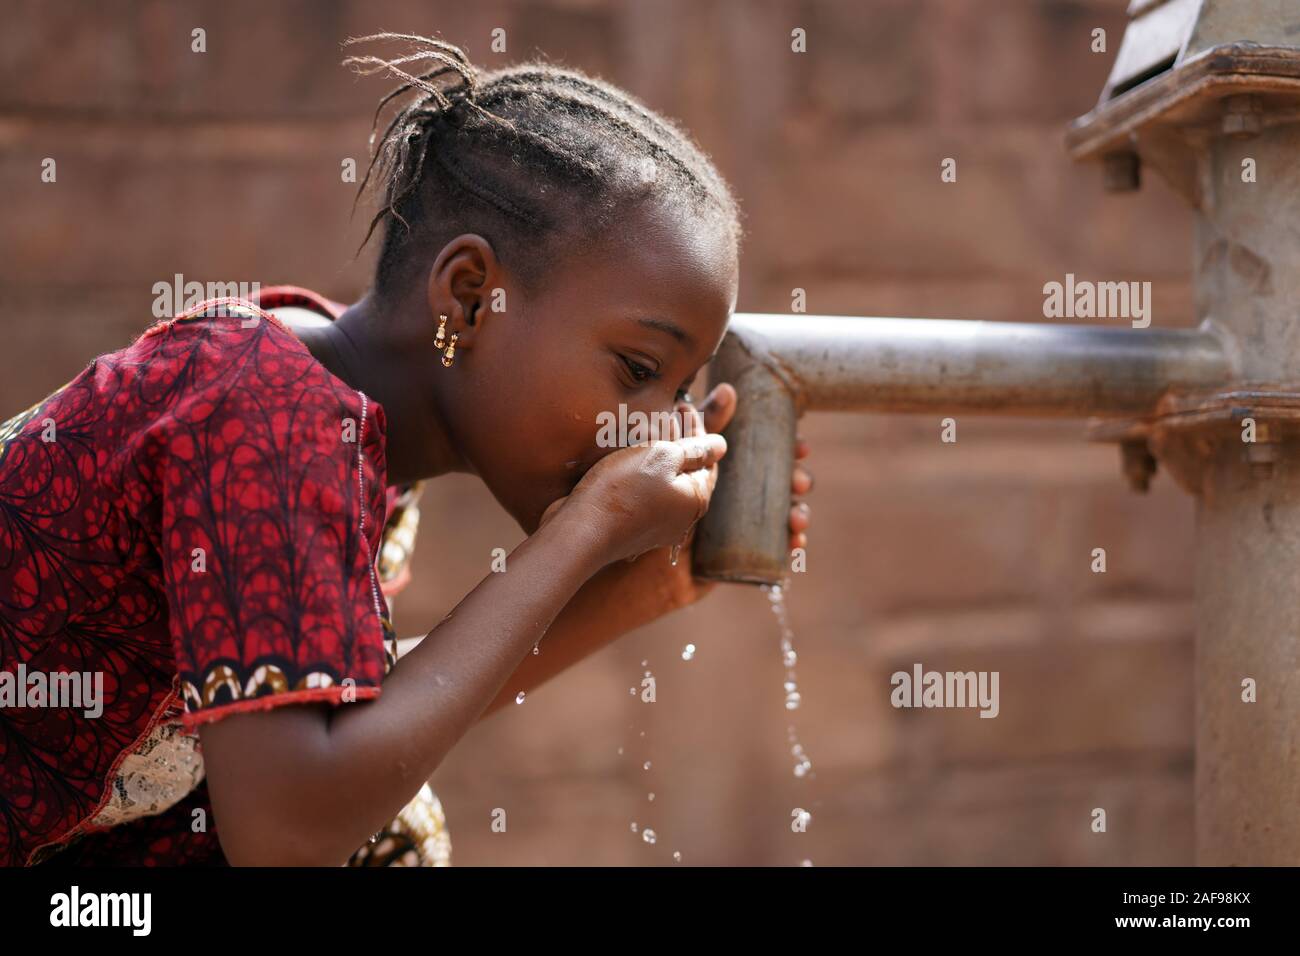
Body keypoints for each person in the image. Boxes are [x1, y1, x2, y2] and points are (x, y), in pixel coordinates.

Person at [0, 33, 812, 866]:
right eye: (638, 370)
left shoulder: (347, 428)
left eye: (679, 391)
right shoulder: (262, 409)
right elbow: (288, 830)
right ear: (469, 298)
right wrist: (584, 531)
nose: (654, 428)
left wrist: (640, 589)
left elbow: (344, 715)